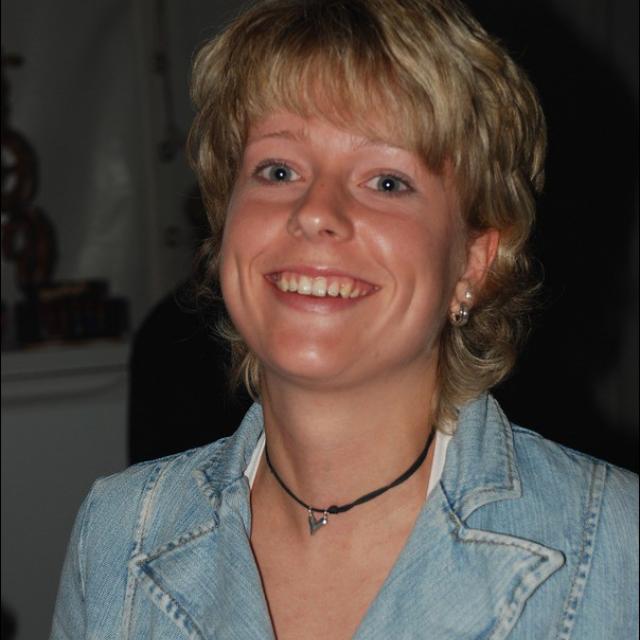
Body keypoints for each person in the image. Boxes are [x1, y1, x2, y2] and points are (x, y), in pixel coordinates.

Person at [50, 1, 638, 638]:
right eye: (279, 170)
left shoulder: (614, 544)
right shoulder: (117, 534)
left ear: (473, 262)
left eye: (386, 182)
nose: (314, 211)